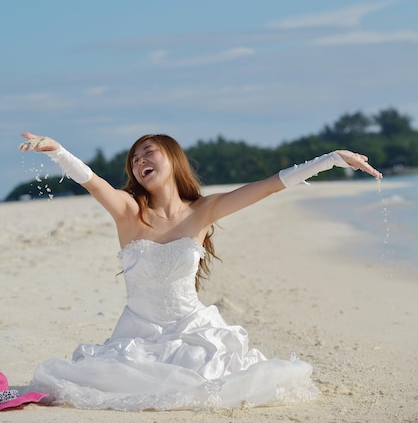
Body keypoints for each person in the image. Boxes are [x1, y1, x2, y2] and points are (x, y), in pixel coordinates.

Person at [19, 131, 382, 411]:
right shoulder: (129, 211)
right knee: (100, 379)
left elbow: (269, 186)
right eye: (134, 159)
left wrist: (331, 159)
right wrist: (57, 151)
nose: (139, 160)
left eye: (149, 151)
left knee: (206, 371)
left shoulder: (204, 211)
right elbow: (92, 181)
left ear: (173, 160)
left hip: (195, 332)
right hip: (138, 337)